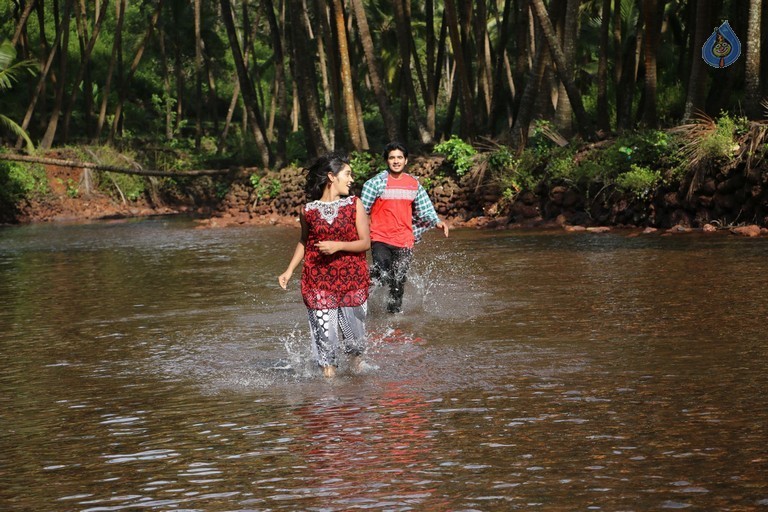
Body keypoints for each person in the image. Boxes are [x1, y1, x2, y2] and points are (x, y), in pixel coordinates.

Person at [278, 152, 371, 378]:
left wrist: (338, 245)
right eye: (347, 174)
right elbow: (305, 241)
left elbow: (365, 243)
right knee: (325, 341)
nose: (351, 180)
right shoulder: (307, 211)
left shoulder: (354, 204)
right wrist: (289, 270)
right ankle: (328, 395)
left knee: (355, 345)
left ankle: (357, 392)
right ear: (331, 177)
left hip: (352, 281)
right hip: (317, 281)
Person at [361, 141, 449, 314]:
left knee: (399, 279)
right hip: (380, 238)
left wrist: (437, 221)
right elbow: (361, 211)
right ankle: (362, 296)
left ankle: (393, 315)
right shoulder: (375, 183)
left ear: (406, 160)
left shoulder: (413, 184)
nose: (396, 161)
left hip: (404, 239)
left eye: (399, 157)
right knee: (383, 274)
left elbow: (425, 208)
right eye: (392, 158)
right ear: (386, 160)